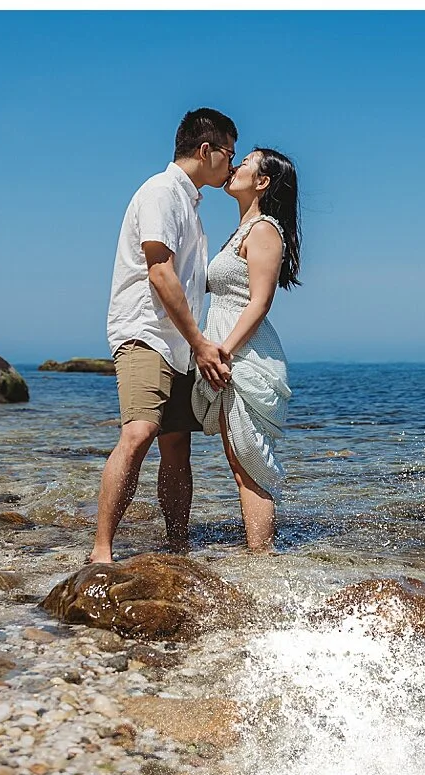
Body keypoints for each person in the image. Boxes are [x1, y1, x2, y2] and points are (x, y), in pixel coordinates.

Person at [90, 108, 239, 565]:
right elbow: (159, 273)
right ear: (205, 150)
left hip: (179, 343)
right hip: (146, 332)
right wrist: (200, 343)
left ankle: (178, 548)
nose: (231, 165)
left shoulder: (191, 207)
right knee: (140, 432)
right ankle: (101, 550)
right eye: (228, 153)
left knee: (177, 444)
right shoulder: (160, 192)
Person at [192, 147, 302, 554]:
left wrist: (223, 352)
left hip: (243, 354)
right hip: (228, 348)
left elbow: (259, 301)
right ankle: (258, 553)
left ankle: (262, 558)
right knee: (240, 463)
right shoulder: (243, 229)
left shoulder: (264, 230)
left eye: (246, 162)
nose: (235, 166)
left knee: (249, 462)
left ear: (263, 181)